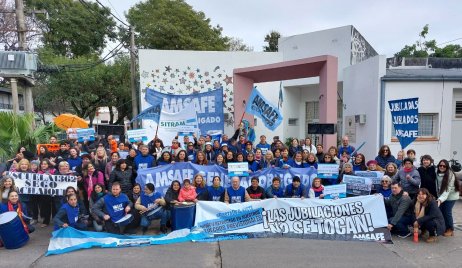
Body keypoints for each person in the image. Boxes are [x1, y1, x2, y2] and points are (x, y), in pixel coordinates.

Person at [435, 159, 460, 237]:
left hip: (451, 196)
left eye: (444, 166)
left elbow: (447, 190)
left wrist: (440, 199)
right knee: (441, 212)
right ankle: (444, 227)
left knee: (447, 212)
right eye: (440, 165)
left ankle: (450, 229)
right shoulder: (437, 173)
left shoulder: (450, 174)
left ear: (447, 167)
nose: (442, 167)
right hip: (442, 196)